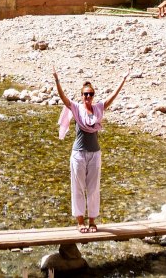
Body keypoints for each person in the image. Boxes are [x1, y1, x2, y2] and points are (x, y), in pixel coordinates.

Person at [53, 68, 128, 233]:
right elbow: (63, 97)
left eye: (91, 94)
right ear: (81, 96)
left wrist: (123, 80)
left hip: (95, 154)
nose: (88, 97)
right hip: (78, 154)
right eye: (85, 94)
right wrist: (57, 81)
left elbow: (112, 97)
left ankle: (92, 221)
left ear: (93, 96)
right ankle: (80, 221)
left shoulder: (99, 109)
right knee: (78, 187)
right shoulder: (75, 108)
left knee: (93, 188)